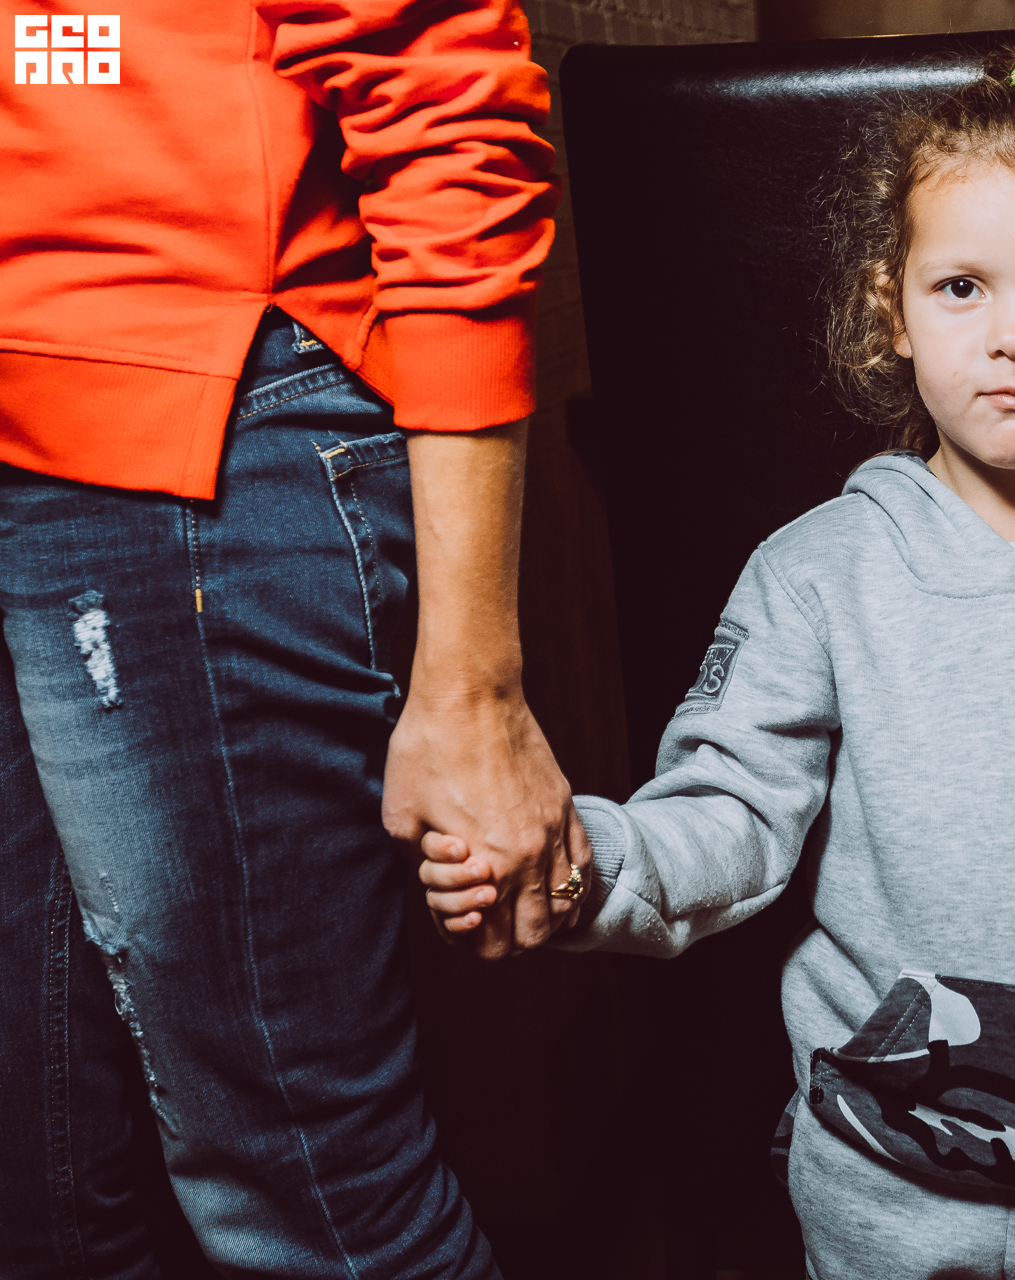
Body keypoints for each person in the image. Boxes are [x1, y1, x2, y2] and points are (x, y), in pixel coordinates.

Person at [423, 53, 1015, 1278]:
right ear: (894, 310)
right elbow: (728, 810)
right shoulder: (817, 569)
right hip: (882, 1192)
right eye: (962, 286)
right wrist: (579, 864)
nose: (1014, 336)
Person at [1, 2, 585, 1275]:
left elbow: (442, 98)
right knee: (36, 1193)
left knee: (313, 1194)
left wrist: (472, 684)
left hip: (200, 417)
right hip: (35, 423)